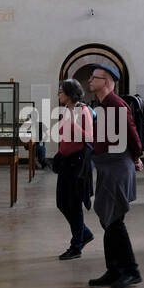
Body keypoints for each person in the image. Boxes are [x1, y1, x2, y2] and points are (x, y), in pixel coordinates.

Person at [86, 64, 143, 288]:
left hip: (117, 167)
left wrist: (136, 156)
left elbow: (133, 136)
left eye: (94, 78)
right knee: (107, 219)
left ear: (108, 81)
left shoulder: (116, 104)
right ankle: (114, 269)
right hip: (107, 167)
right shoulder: (103, 104)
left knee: (115, 220)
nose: (90, 81)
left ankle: (131, 271)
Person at [50, 79, 94, 259]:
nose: (58, 94)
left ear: (69, 93)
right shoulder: (66, 111)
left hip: (78, 162)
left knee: (74, 204)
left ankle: (76, 245)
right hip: (66, 161)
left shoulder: (83, 111)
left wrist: (73, 126)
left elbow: (90, 137)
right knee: (61, 202)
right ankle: (84, 233)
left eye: (61, 91)